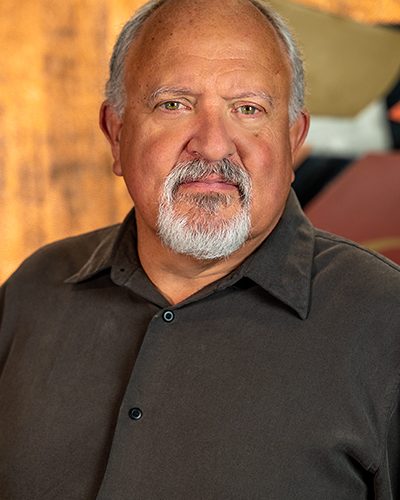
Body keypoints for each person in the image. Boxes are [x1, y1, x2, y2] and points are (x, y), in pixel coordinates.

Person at [0, 0, 399, 498]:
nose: (212, 145)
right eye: (175, 104)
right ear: (116, 132)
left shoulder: (387, 321)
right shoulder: (32, 292)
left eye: (248, 109)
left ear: (294, 139)